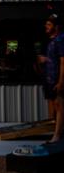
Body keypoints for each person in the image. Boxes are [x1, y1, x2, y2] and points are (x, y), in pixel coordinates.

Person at [37, 14, 64, 143]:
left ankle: (57, 136)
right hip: (49, 79)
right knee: (53, 107)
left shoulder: (61, 39)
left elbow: (63, 62)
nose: (46, 26)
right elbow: (52, 59)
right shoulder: (50, 40)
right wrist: (44, 59)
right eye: (46, 24)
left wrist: (61, 82)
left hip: (56, 79)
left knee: (59, 106)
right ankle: (55, 133)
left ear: (56, 27)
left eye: (49, 24)